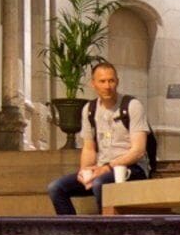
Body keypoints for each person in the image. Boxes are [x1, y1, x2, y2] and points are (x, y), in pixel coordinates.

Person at [48, 60, 152, 216]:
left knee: (99, 184)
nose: (107, 86)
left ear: (117, 81)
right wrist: (85, 171)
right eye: (102, 81)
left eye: (111, 81)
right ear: (93, 84)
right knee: (56, 188)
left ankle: (104, 231)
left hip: (132, 168)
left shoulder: (132, 105)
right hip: (102, 168)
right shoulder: (89, 110)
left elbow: (138, 150)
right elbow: (89, 148)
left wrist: (107, 168)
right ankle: (72, 232)